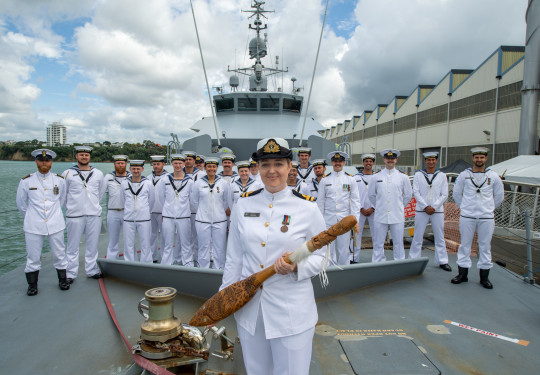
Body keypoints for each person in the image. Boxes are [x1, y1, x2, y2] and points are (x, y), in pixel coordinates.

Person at [221, 137, 326, 375]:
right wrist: (224, 300)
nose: (272, 171)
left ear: (290, 167)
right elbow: (234, 259)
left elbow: (322, 257)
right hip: (250, 311)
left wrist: (297, 267)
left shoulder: (307, 208)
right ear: (258, 167)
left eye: (278, 163)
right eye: (265, 164)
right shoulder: (243, 205)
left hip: (291, 312)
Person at [16, 149, 70, 295]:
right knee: (33, 255)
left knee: (59, 253)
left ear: (51, 162)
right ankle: (32, 285)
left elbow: (61, 200)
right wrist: (31, 216)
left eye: (47, 160)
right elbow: (21, 204)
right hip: (33, 224)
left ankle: (62, 280)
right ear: (36, 162)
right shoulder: (26, 181)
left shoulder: (59, 180)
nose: (44, 163)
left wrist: (53, 214)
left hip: (55, 223)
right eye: (41, 160)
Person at [451, 147, 504, 289]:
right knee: (465, 245)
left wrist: (489, 208)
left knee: (485, 246)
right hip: (467, 215)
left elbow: (499, 196)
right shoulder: (464, 175)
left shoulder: (493, 176)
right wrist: (465, 207)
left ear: (486, 159)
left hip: (486, 217)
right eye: (476, 157)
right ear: (473, 158)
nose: (479, 160)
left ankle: (484, 278)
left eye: (482, 157)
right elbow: (456, 193)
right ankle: (462, 274)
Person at [62, 145, 105, 283]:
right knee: (72, 246)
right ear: (77, 156)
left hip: (93, 215)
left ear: (90, 157)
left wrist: (91, 204)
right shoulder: (67, 173)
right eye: (81, 155)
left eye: (86, 155)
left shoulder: (98, 173)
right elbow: (63, 194)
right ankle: (70, 273)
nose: (84, 157)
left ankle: (91, 270)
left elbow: (100, 192)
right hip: (75, 215)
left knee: (92, 245)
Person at [368, 149, 412, 262]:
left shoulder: (403, 177)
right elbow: (371, 195)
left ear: (396, 160)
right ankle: (377, 263)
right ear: (384, 159)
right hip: (380, 215)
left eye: (392, 159)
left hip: (397, 215)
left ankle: (399, 262)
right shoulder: (376, 177)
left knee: (398, 243)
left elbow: (407, 195)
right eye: (388, 158)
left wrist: (398, 206)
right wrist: (379, 207)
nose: (390, 161)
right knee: (378, 242)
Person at [409, 152, 451, 271]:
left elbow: (444, 194)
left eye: (433, 160)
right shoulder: (418, 175)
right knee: (417, 235)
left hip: (437, 211)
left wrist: (435, 206)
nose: (431, 162)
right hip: (422, 210)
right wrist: (425, 206)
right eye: (428, 160)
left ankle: (442, 261)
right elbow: (416, 192)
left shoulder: (442, 175)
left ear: (436, 161)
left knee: (439, 236)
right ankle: (414, 259)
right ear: (425, 161)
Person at [316, 151, 361, 265]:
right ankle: (330, 270)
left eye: (340, 161)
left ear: (344, 162)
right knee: (328, 249)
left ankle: (344, 270)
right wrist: (320, 221)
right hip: (328, 219)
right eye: (335, 161)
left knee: (343, 249)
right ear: (332, 162)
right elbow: (320, 202)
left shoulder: (350, 180)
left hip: (344, 220)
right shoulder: (325, 180)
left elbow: (355, 201)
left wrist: (355, 220)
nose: (337, 163)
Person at [191, 157, 230, 269]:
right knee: (203, 246)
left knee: (220, 247)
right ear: (205, 167)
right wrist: (203, 210)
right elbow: (194, 201)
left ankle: (219, 268)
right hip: (202, 220)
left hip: (220, 220)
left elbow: (226, 200)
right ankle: (203, 268)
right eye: (209, 166)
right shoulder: (198, 183)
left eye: (213, 167)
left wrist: (218, 210)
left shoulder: (223, 183)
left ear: (217, 168)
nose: (211, 169)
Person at [156, 154, 194, 266]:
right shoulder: (165, 180)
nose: (178, 165)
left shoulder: (190, 181)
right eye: (175, 163)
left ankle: (188, 264)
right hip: (168, 216)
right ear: (172, 164)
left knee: (185, 243)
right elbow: (162, 198)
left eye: (180, 163)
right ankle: (166, 264)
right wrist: (168, 209)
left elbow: (192, 199)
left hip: (184, 217)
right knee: (167, 243)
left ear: (183, 164)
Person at [120, 160, 155, 263]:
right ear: (130, 169)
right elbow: (123, 200)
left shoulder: (148, 183)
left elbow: (151, 200)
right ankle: (130, 263)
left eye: (138, 169)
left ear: (142, 169)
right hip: (128, 218)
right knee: (128, 244)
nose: (136, 171)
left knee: (145, 244)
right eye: (134, 169)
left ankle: (146, 264)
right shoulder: (124, 183)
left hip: (143, 218)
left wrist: (144, 211)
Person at [101, 155, 131, 260]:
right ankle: (112, 260)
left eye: (122, 163)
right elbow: (100, 193)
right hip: (113, 212)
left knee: (129, 240)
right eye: (118, 163)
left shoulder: (131, 177)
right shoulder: (108, 178)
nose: (120, 165)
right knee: (113, 240)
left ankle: (130, 261)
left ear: (126, 164)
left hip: (127, 212)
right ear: (114, 164)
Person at [352, 154, 377, 263]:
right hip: (359, 211)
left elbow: (380, 194)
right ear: (363, 163)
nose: (368, 163)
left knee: (376, 236)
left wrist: (373, 207)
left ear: (373, 163)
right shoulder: (355, 178)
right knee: (356, 235)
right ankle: (354, 258)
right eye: (366, 161)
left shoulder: (377, 177)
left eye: (370, 161)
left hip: (374, 210)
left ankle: (377, 259)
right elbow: (353, 195)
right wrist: (361, 208)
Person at [184, 151, 202, 264]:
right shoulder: (178, 174)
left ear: (194, 161)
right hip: (183, 211)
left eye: (190, 159)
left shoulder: (201, 174)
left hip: (197, 210)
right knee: (184, 237)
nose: (188, 161)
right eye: (186, 159)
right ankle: (184, 258)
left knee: (197, 236)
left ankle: (197, 257)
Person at [149, 155, 167, 263]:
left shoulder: (168, 178)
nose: (156, 166)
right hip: (151, 212)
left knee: (165, 237)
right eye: (154, 164)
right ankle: (152, 256)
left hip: (163, 212)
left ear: (163, 164)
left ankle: (165, 258)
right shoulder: (147, 178)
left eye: (158, 164)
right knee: (152, 236)